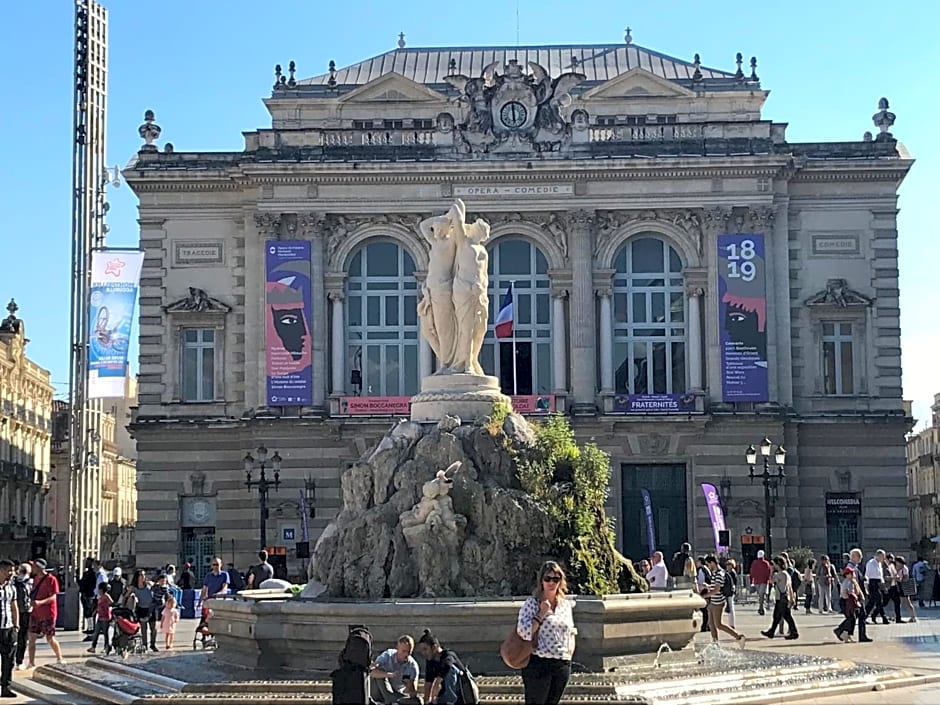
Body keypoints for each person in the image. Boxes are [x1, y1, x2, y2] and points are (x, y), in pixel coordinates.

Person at [514, 560, 577, 705]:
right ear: (541, 581)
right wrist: (541, 614)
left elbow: (571, 631)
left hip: (561, 663)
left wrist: (569, 654)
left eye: (556, 579)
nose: (551, 583)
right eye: (547, 578)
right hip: (539, 662)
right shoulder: (532, 603)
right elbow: (523, 631)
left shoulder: (565, 605)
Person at [26, 559, 63, 668]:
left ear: (39, 567)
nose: (32, 568)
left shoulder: (51, 579)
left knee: (50, 638)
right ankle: (31, 662)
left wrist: (40, 602)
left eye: (34, 566)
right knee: (31, 638)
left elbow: (53, 597)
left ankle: (59, 658)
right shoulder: (35, 579)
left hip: (48, 613)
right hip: (35, 613)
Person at [702, 555, 745, 646]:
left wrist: (705, 595)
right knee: (711, 624)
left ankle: (738, 636)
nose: (708, 567)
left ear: (712, 563)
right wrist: (708, 587)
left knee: (718, 624)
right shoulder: (715, 573)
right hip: (713, 601)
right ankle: (715, 643)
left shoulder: (719, 574)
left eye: (708, 564)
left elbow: (717, 589)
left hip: (718, 602)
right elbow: (715, 587)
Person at [417, 630, 463, 705]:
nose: (423, 653)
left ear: (434, 647)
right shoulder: (431, 661)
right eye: (422, 650)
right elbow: (428, 683)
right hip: (443, 696)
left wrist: (437, 683)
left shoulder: (448, 655)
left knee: (451, 670)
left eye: (425, 649)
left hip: (461, 695)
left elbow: (447, 666)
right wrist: (426, 701)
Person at [370, 635, 420, 704]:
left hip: (396, 693)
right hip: (378, 690)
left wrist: (409, 685)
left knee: (418, 701)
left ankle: (392, 701)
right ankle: (391, 700)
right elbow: (371, 672)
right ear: (397, 648)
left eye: (409, 652)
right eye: (403, 651)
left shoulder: (412, 666)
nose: (406, 655)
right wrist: (390, 675)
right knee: (380, 671)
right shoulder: (388, 655)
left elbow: (413, 692)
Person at [761, 556, 799, 640]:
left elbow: (771, 580)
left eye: (774, 564)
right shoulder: (786, 574)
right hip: (785, 597)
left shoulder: (781, 574)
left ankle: (794, 632)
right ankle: (772, 631)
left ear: (778, 564)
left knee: (784, 616)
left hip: (781, 598)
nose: (773, 566)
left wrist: (771, 571)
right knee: (779, 616)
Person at [834, 566, 871, 643]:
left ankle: (847, 634)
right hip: (847, 602)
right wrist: (850, 600)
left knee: (853, 618)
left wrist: (861, 597)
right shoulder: (847, 582)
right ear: (847, 574)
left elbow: (858, 590)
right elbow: (844, 593)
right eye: (851, 573)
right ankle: (839, 630)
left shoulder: (853, 581)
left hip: (853, 601)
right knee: (851, 618)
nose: (853, 574)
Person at [0, 560, 19, 698]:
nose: (11, 574)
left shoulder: (11, 588)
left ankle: (6, 687)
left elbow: (14, 606)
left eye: (12, 571)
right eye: (8, 571)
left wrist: (16, 625)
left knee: (9, 659)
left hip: (8, 628)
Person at [130, 570, 156, 652]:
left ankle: (153, 644)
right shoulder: (133, 588)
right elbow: (126, 596)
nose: (143, 577)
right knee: (144, 629)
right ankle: (145, 645)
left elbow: (158, 588)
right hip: (141, 609)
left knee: (153, 628)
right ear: (137, 577)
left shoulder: (149, 585)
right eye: (141, 575)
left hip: (151, 608)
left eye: (144, 575)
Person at [12, 564, 30, 671]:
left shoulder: (30, 583)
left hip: (25, 613)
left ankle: (19, 660)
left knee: (23, 637)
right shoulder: (12, 583)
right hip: (15, 612)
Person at [87, 582, 112, 655]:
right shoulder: (100, 597)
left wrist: (108, 607)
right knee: (96, 633)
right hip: (100, 617)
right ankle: (93, 647)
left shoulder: (106, 596)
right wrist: (95, 612)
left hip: (106, 618)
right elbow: (98, 606)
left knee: (105, 633)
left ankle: (106, 647)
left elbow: (111, 603)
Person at [864, 550, 889, 624]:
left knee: (872, 602)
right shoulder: (871, 563)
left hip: (878, 582)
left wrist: (883, 585)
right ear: (878, 555)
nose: (883, 558)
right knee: (879, 600)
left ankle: (864, 616)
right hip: (872, 583)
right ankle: (884, 618)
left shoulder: (879, 564)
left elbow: (880, 576)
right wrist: (866, 586)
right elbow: (867, 575)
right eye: (882, 556)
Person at [149, 573, 170, 651]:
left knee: (154, 627)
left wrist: (165, 601)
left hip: (158, 604)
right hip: (153, 603)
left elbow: (167, 597)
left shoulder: (165, 588)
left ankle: (152, 644)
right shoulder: (155, 587)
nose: (163, 583)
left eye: (164, 581)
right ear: (159, 581)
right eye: (161, 581)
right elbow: (151, 590)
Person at [893, 556, 918, 623]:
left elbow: (906, 578)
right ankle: (897, 616)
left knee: (907, 602)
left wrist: (900, 579)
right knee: (899, 602)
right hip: (896, 585)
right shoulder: (894, 567)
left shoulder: (904, 568)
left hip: (902, 586)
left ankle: (913, 617)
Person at [749, 549, 773, 616]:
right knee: (762, 595)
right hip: (764, 581)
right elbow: (768, 572)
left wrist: (752, 581)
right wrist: (769, 580)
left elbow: (752, 572)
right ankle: (761, 607)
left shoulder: (754, 563)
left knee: (760, 595)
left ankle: (761, 607)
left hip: (757, 581)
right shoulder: (766, 563)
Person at [78, 559, 98, 637]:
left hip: (89, 595)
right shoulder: (88, 574)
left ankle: (91, 628)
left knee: (89, 612)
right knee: (87, 612)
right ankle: (90, 627)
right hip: (86, 594)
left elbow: (88, 584)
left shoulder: (91, 574)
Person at [695, 556, 711, 632]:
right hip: (708, 590)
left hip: (704, 591)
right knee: (706, 610)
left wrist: (699, 591)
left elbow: (701, 582)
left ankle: (705, 625)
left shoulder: (701, 570)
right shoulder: (706, 569)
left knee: (704, 609)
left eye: (697, 562)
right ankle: (707, 625)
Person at [724, 558, 739, 628]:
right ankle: (730, 622)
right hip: (729, 591)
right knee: (729, 606)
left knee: (731, 606)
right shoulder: (728, 572)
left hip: (730, 591)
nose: (727, 566)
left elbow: (733, 583)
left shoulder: (732, 573)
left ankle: (732, 623)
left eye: (729, 565)